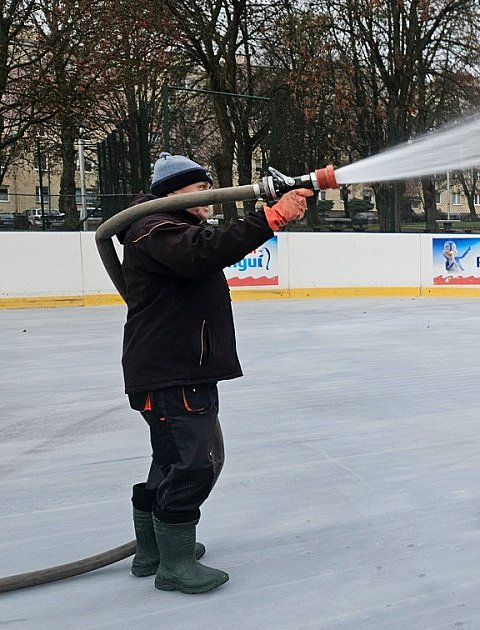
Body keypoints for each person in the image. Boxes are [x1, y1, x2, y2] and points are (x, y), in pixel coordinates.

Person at [117, 153, 311, 594]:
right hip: (174, 373)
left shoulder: (162, 228)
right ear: (173, 193)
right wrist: (272, 217)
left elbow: (208, 246)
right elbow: (206, 251)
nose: (209, 196)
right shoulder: (156, 229)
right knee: (193, 465)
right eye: (200, 189)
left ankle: (154, 551)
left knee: (170, 459)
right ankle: (175, 563)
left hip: (173, 370)